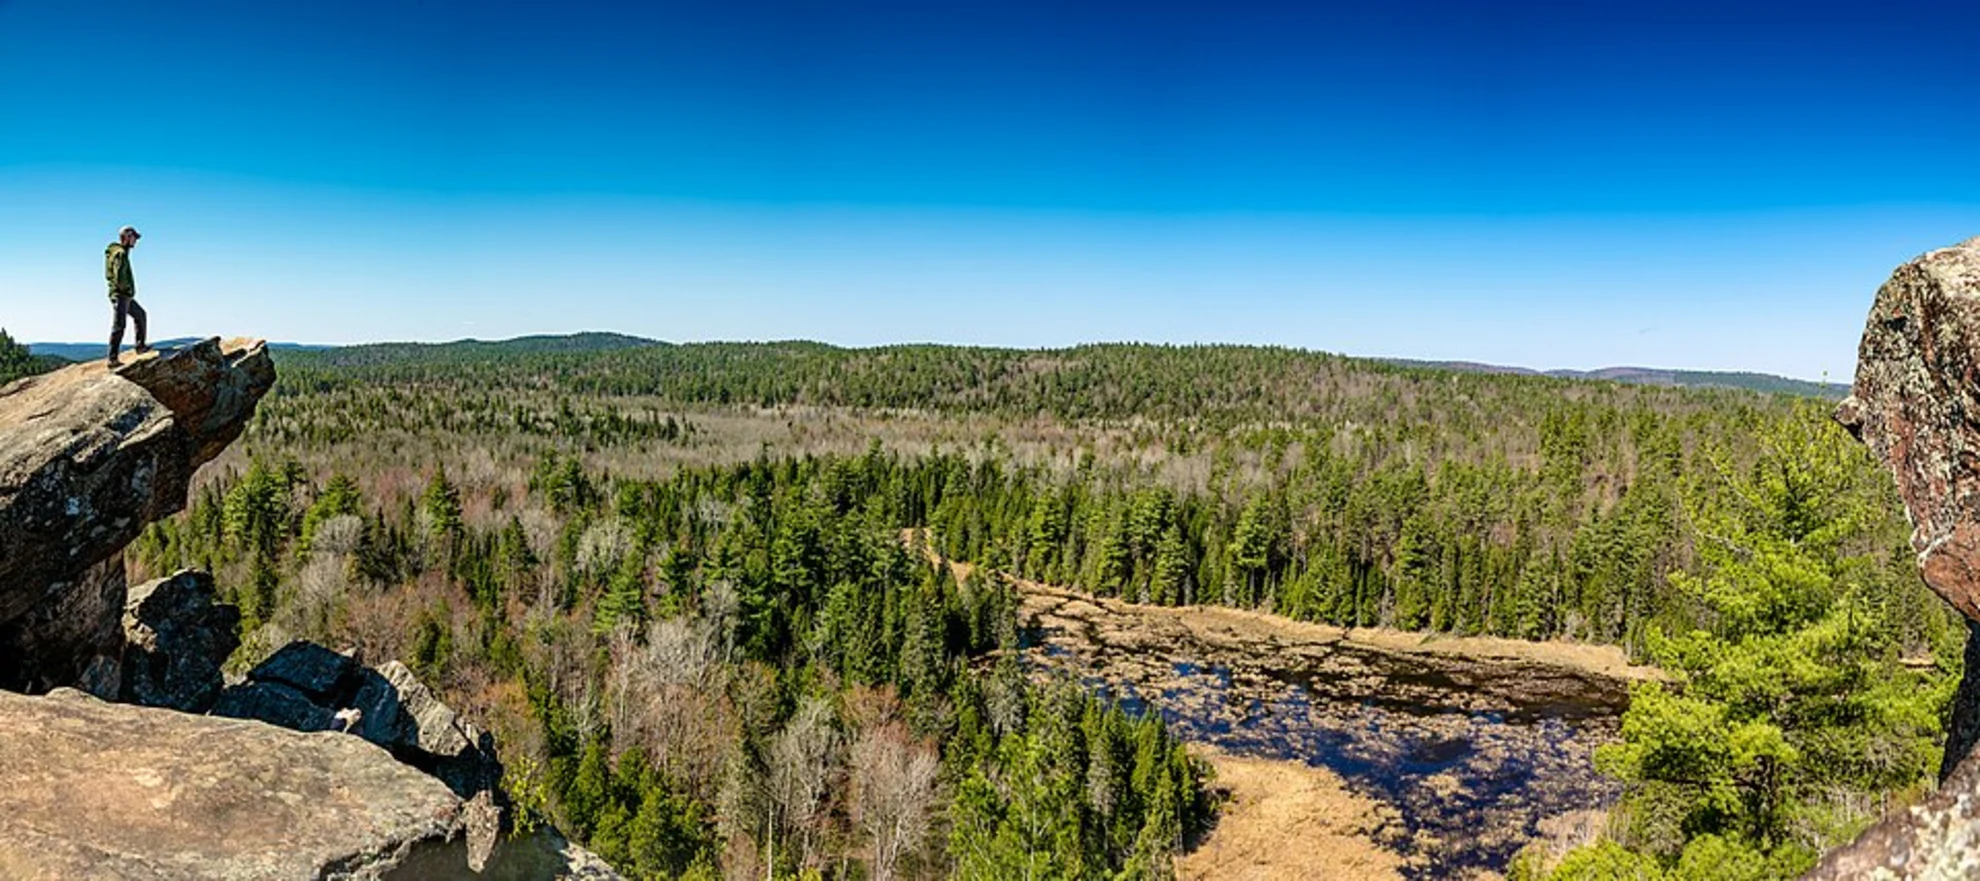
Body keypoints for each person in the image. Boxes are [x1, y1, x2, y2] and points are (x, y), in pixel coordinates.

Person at [105, 225, 147, 366]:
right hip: (121, 295)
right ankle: (112, 359)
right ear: (127, 237)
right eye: (134, 238)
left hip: (124, 295)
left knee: (140, 315)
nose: (135, 241)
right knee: (119, 325)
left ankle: (140, 347)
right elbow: (119, 277)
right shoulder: (121, 254)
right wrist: (126, 288)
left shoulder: (122, 252)